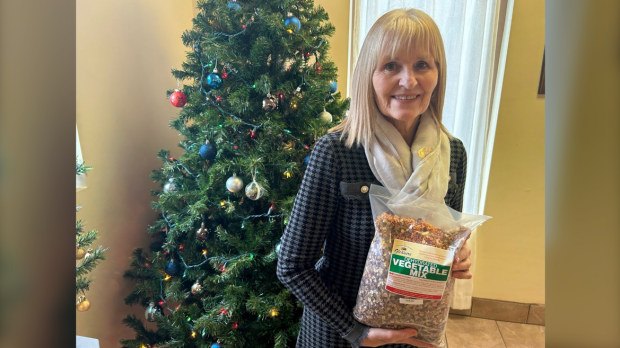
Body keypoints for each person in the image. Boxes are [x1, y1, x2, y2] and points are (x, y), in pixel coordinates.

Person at [277, 8, 472, 348]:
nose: (408, 81)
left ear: (438, 74)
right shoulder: (338, 151)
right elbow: (292, 266)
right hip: (338, 337)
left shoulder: (453, 154)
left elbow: (438, 242)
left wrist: (454, 256)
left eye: (422, 65)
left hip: (413, 336)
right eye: (391, 65)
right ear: (369, 74)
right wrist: (357, 332)